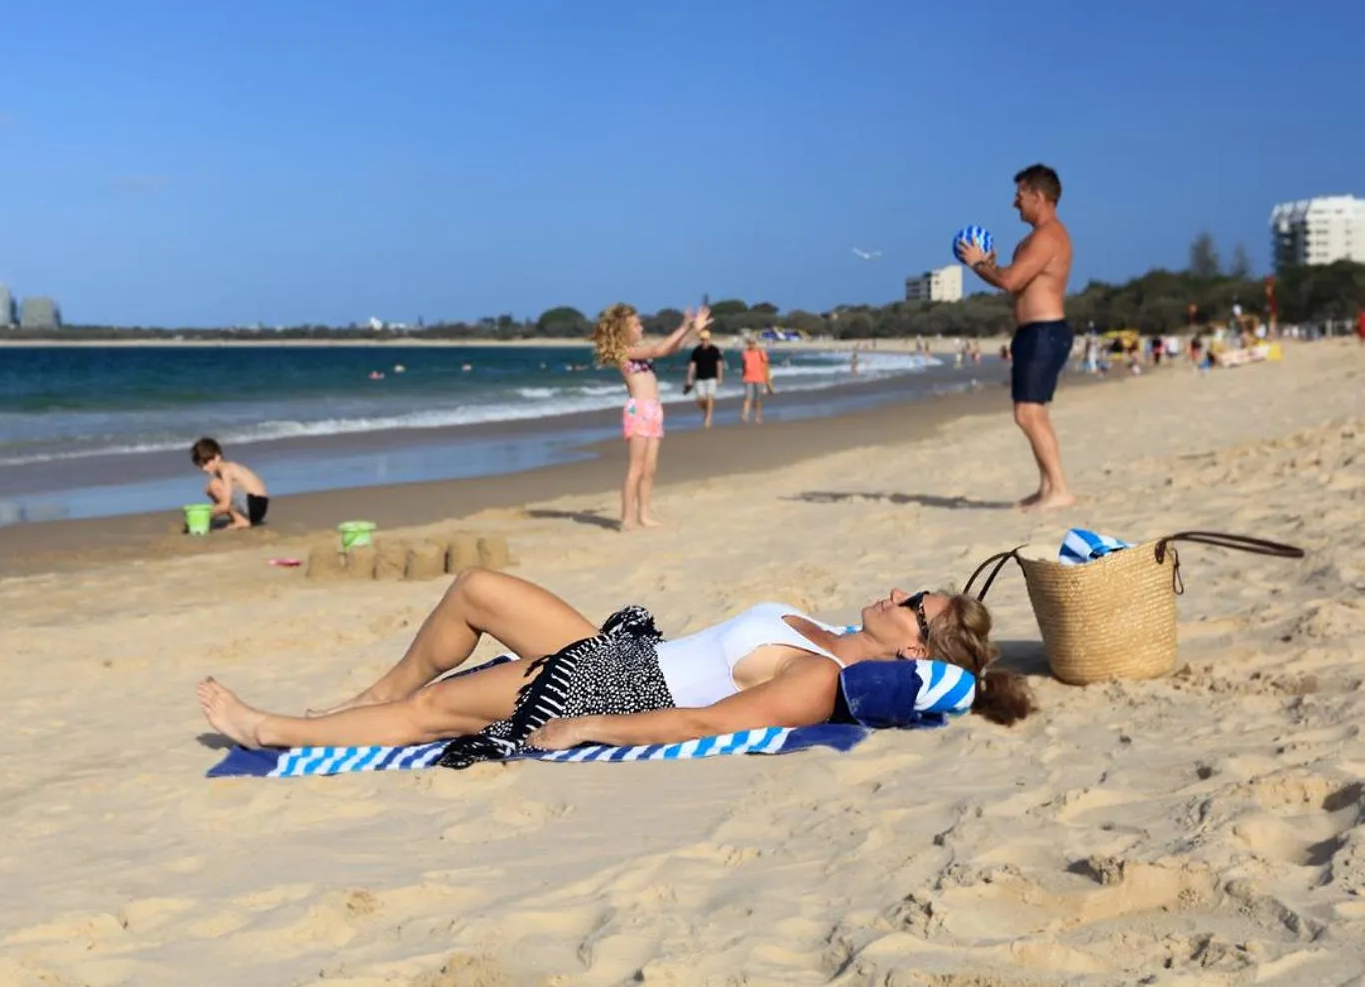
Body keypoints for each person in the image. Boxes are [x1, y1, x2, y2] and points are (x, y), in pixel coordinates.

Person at [195, 568, 1034, 758]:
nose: (894, 592)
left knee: (436, 712)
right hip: (629, 651)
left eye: (911, 603)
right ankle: (370, 692)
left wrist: (586, 725)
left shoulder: (816, 677)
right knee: (477, 587)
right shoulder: (821, 632)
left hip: (613, 682)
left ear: (912, 646)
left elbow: (708, 720)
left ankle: (271, 730)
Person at [957, 164, 1075, 511]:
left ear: (1038, 197)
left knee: (1027, 414)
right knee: (1033, 413)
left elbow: (1010, 281)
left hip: (1044, 332)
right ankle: (1048, 487)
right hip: (1035, 333)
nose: (1015, 204)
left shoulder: (1048, 236)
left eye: (1019, 196)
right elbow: (1011, 280)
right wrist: (987, 265)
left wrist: (979, 264)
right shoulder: (1039, 236)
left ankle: (1060, 489)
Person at [591, 303, 709, 531]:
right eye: (636, 324)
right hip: (639, 411)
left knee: (650, 467)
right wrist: (683, 325)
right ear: (622, 331)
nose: (640, 327)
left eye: (639, 323)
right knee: (636, 467)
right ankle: (628, 518)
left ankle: (644, 515)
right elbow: (658, 351)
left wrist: (693, 329)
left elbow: (673, 348)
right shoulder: (625, 352)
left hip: (654, 410)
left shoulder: (641, 348)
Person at [190, 437, 270, 529]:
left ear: (217, 457)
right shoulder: (223, 470)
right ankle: (239, 518)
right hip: (257, 506)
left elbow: (225, 504)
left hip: (255, 504)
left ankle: (241, 521)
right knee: (209, 488)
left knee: (214, 485)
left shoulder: (226, 469)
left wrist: (205, 515)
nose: (204, 468)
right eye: (201, 465)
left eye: (206, 463)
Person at [684, 331, 725, 429]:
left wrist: (720, 377)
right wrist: (689, 378)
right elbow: (692, 365)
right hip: (699, 378)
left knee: (710, 397)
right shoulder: (696, 351)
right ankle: (707, 411)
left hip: (712, 378)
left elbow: (719, 364)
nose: (704, 341)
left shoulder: (715, 350)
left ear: (709, 339)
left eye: (706, 339)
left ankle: (708, 417)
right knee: (699, 400)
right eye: (702, 339)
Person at [739, 337, 773, 424]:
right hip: (748, 378)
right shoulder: (745, 353)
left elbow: (766, 365)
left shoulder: (761, 352)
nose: (751, 345)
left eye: (753, 343)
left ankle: (757, 416)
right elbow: (743, 365)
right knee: (748, 397)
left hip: (759, 378)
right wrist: (743, 375)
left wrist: (768, 379)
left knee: (758, 399)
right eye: (750, 343)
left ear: (756, 344)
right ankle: (744, 415)